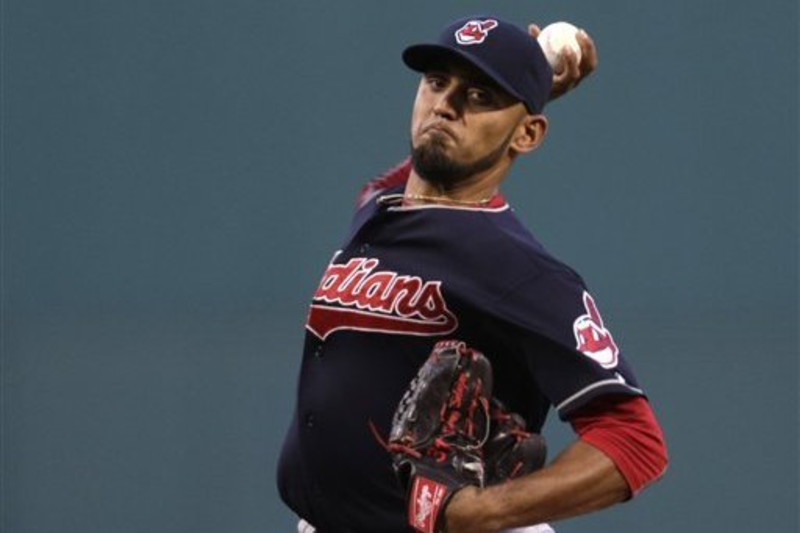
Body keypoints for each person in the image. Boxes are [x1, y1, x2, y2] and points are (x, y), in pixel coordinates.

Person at [277, 15, 668, 533]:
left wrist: (482, 513)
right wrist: (536, 83)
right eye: (438, 82)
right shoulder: (381, 207)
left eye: (481, 96)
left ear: (528, 134)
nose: (446, 105)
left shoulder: (520, 271)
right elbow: (419, 172)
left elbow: (635, 441)